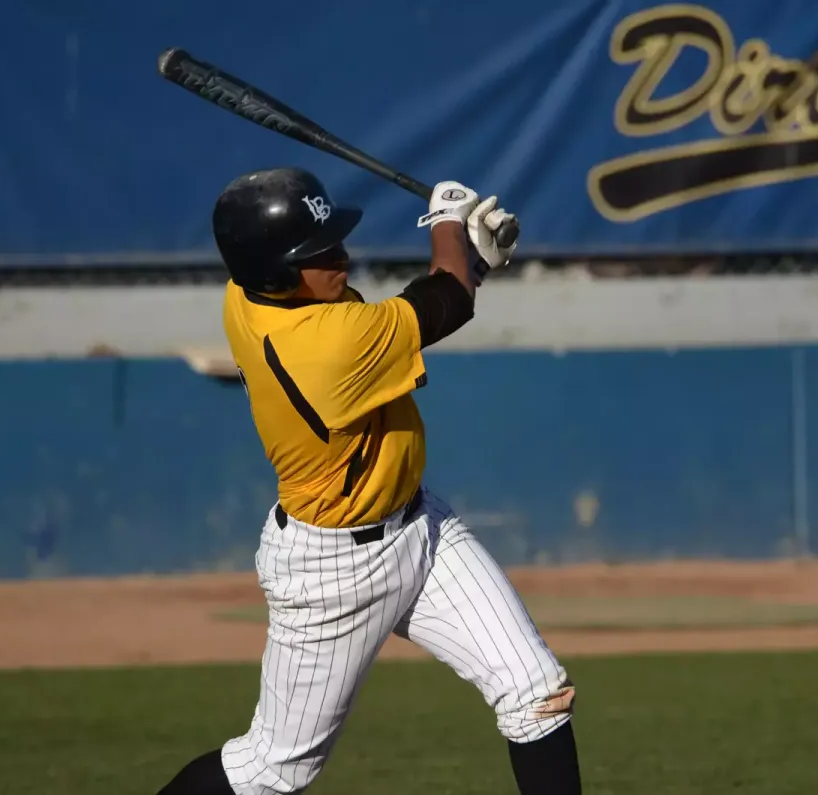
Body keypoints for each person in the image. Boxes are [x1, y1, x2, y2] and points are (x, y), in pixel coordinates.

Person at [154, 167, 582, 795]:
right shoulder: (322, 344)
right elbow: (447, 300)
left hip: (422, 528)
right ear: (275, 274)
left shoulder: (248, 295)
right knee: (272, 768)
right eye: (317, 253)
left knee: (536, 692)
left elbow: (442, 294)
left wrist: (469, 258)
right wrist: (447, 223)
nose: (340, 256)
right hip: (332, 570)